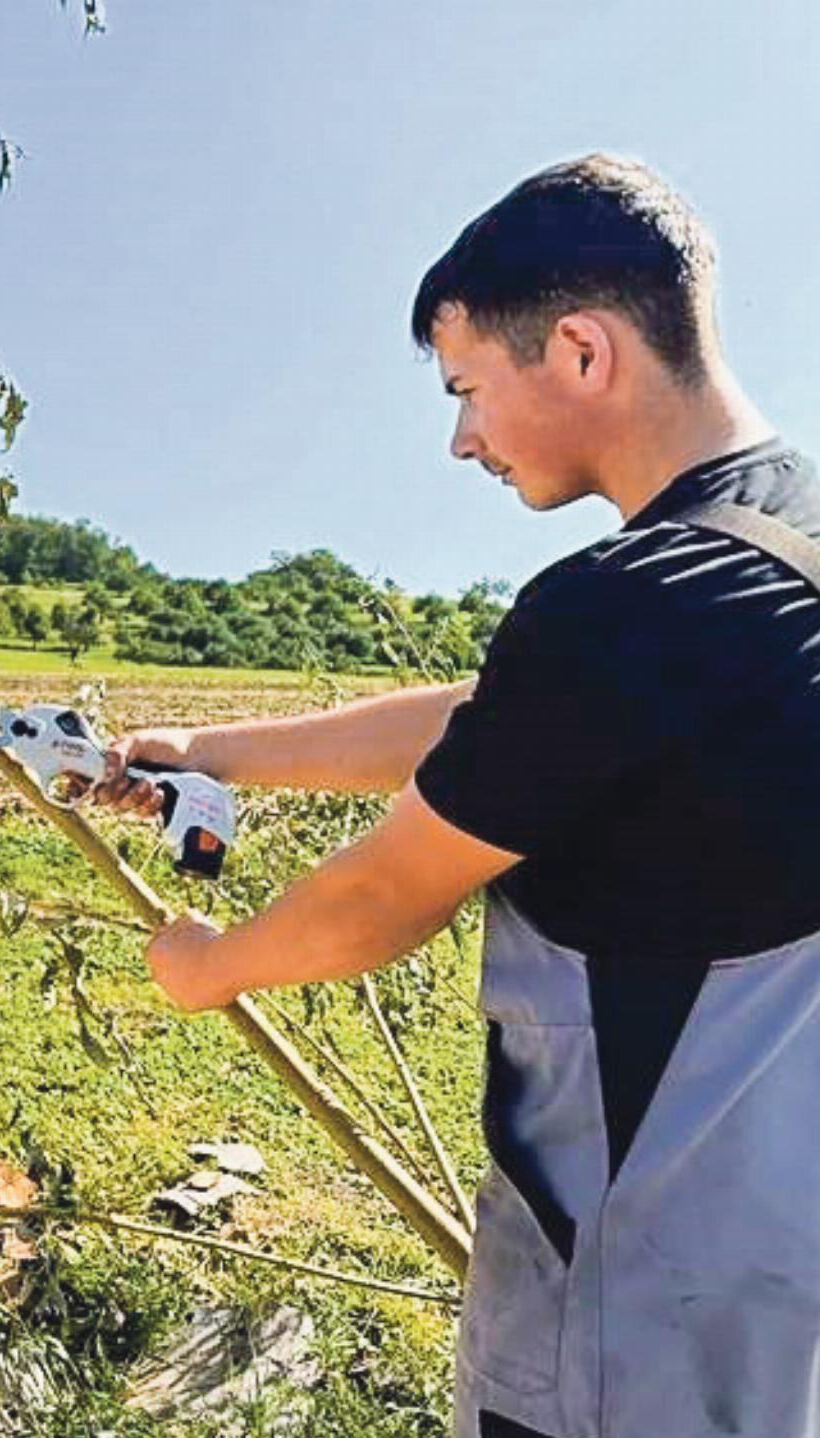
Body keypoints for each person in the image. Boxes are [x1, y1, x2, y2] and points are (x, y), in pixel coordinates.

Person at [89, 154, 820, 1438]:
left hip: (631, 1323)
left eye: (471, 388)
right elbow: (501, 725)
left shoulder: (624, 604)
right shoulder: (775, 553)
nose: (462, 437)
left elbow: (380, 895)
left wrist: (211, 963)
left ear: (583, 352)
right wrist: (211, 747)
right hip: (775, 1289)